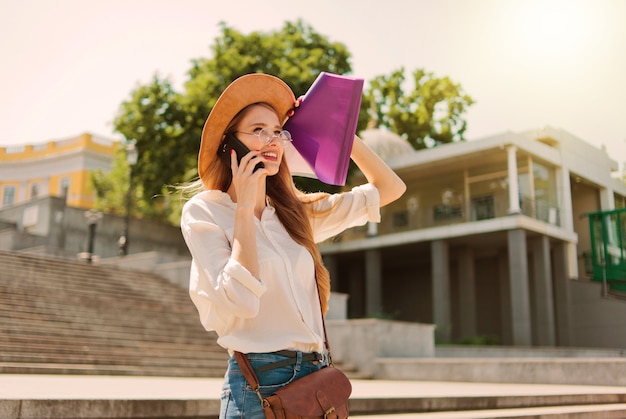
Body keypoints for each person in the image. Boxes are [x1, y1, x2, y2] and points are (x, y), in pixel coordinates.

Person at [180, 73, 405, 418]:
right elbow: (241, 301)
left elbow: (390, 188)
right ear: (230, 145)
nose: (272, 140)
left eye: (277, 131)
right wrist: (244, 209)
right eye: (258, 131)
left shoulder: (294, 214)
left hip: (316, 383)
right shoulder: (206, 211)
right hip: (258, 385)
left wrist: (337, 129)